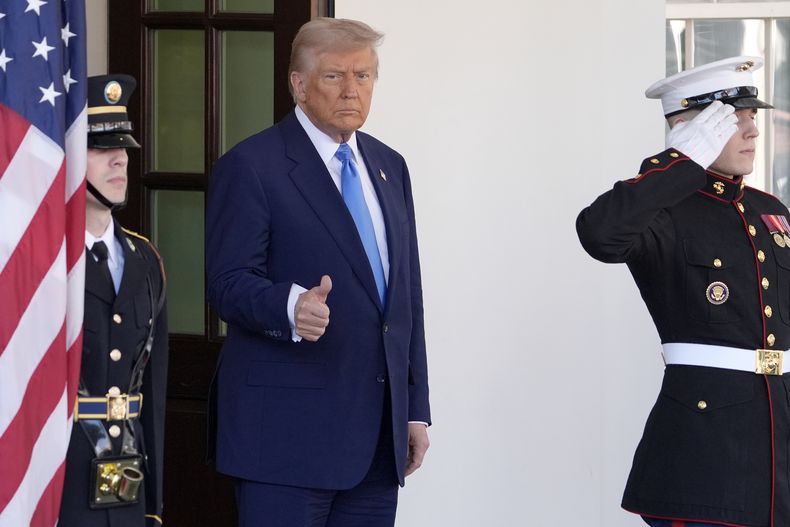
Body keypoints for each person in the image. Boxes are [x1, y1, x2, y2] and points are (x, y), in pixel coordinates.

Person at [206, 17, 431, 527]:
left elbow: (405, 299)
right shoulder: (252, 165)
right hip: (285, 442)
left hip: (376, 442)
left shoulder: (389, 166)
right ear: (298, 85)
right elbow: (226, 283)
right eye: (334, 77)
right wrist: (289, 306)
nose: (352, 90)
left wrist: (414, 409)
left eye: (364, 76)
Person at [577, 56, 789, 527]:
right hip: (705, 453)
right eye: (735, 120)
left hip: (779, 442)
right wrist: (680, 163)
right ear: (692, 129)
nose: (753, 131)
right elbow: (600, 234)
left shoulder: (769, 209)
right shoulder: (662, 210)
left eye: (753, 117)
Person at [59, 74, 168, 527]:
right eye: (101, 149)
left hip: (127, 479)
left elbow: (154, 394)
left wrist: (154, 504)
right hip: (58, 478)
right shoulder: (42, 264)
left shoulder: (146, 259)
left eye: (122, 149)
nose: (120, 159)